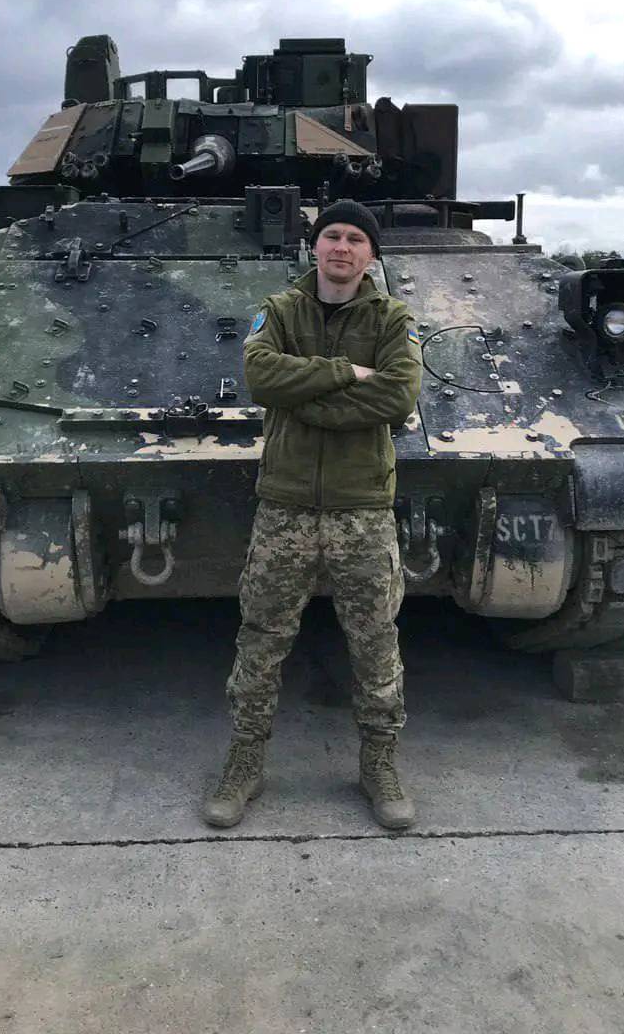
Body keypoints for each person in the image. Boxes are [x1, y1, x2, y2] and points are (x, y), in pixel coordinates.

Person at [202, 199, 423, 830]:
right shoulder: (280, 310)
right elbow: (261, 377)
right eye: (332, 235)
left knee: (375, 639)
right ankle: (245, 761)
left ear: (371, 254)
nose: (342, 247)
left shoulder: (392, 318)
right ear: (315, 245)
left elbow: (398, 394)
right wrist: (343, 371)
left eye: (355, 238)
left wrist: (307, 402)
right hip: (287, 505)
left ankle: (379, 763)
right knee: (262, 637)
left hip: (362, 507)